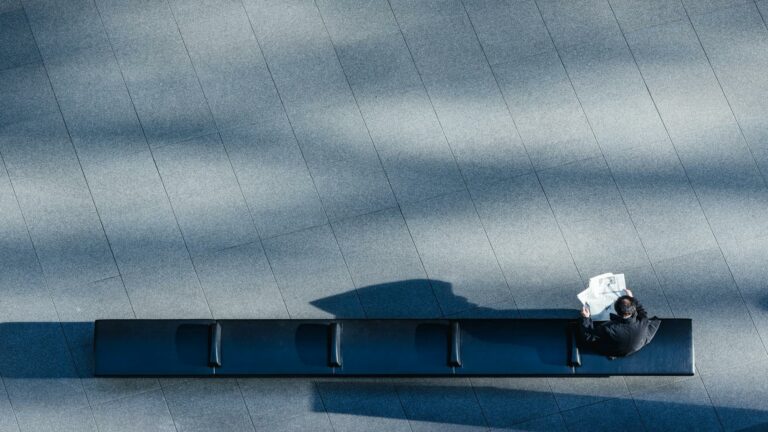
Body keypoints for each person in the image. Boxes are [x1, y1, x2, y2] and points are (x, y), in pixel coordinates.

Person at [579, 289, 661, 357]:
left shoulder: (609, 328)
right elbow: (641, 311)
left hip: (615, 350)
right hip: (635, 345)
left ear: (616, 311)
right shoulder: (643, 321)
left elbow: (588, 337)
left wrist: (586, 318)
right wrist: (631, 298)